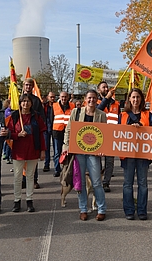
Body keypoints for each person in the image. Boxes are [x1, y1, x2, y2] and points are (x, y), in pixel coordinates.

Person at [63, 89, 107, 221]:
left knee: (97, 182)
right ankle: (83, 209)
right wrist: (65, 147)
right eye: (89, 98)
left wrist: (103, 149)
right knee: (80, 182)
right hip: (79, 152)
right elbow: (68, 131)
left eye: (94, 98)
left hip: (94, 153)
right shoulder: (76, 112)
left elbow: (105, 134)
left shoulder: (101, 115)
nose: (91, 100)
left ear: (97, 99)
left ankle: (101, 209)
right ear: (85, 99)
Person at [119, 88, 152, 220]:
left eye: (138, 97)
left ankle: (142, 210)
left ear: (141, 99)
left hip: (143, 154)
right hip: (128, 155)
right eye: (133, 97)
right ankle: (129, 210)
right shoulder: (123, 115)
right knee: (128, 184)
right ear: (129, 99)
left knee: (143, 184)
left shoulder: (148, 115)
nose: (135, 100)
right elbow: (117, 134)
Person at [7, 94, 46, 212]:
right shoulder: (14, 116)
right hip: (18, 151)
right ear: (20, 103)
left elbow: (41, 134)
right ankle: (17, 200)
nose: (25, 103)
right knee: (17, 177)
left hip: (33, 150)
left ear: (31, 103)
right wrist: (17, 135)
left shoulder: (36, 116)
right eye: (23, 101)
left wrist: (43, 150)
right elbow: (8, 134)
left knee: (30, 176)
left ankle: (29, 200)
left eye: (28, 101)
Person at [96, 81, 120, 192]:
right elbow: (97, 111)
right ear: (98, 90)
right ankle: (97, 181)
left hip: (111, 136)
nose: (106, 89)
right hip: (98, 136)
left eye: (107, 87)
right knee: (97, 161)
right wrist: (106, 99)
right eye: (103, 87)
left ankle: (106, 182)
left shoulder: (116, 104)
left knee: (110, 161)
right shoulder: (95, 102)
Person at [23, 78, 46, 189]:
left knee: (33, 158)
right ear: (24, 86)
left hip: (33, 131)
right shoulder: (18, 98)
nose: (28, 87)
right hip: (21, 133)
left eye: (30, 85)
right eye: (26, 85)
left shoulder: (36, 100)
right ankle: (23, 180)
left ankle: (34, 180)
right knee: (22, 159)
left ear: (33, 87)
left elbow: (41, 116)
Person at [52, 91, 75, 177]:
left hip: (69, 132)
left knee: (68, 151)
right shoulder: (54, 106)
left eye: (65, 97)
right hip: (57, 132)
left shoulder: (72, 106)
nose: (64, 98)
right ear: (59, 97)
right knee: (57, 152)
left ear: (68, 97)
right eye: (62, 97)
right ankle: (57, 169)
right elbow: (51, 119)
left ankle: (68, 168)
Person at [43, 92, 55, 172]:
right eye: (51, 97)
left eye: (54, 97)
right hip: (46, 128)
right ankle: (46, 164)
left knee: (56, 148)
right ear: (47, 97)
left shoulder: (57, 106)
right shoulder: (44, 106)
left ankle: (56, 165)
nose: (52, 98)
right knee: (46, 147)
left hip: (55, 128)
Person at [2, 99, 13, 165]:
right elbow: (9, 116)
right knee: (8, 144)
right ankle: (7, 155)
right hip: (8, 129)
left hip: (11, 129)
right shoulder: (7, 111)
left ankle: (9, 156)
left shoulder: (10, 111)